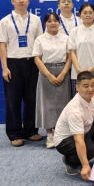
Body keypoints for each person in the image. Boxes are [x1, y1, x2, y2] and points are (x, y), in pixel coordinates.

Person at [0, 0, 44, 147]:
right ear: (12, 1)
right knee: (13, 100)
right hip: (13, 64)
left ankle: (31, 131)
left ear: (28, 1)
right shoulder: (5, 21)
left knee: (32, 99)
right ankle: (15, 134)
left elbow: (40, 43)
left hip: (32, 63)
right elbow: (2, 46)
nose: (21, 0)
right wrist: (5, 67)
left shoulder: (36, 20)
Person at [54, 71, 94, 179]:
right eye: (86, 86)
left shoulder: (92, 97)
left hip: (83, 129)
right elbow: (78, 140)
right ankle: (69, 161)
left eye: (93, 85)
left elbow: (92, 109)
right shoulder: (74, 110)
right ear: (77, 87)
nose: (90, 89)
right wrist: (85, 165)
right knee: (90, 150)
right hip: (65, 140)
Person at [33, 13, 72, 149]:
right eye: (49, 21)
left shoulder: (66, 38)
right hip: (46, 72)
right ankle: (49, 135)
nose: (53, 23)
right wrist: (49, 75)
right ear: (45, 23)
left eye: (55, 21)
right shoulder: (40, 39)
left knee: (63, 103)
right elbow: (37, 59)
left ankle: (61, 133)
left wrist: (63, 73)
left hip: (63, 71)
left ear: (59, 23)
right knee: (47, 104)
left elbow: (70, 57)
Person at [67, 3, 94, 109]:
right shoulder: (74, 31)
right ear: (80, 14)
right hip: (78, 74)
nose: (88, 15)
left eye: (90, 12)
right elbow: (72, 52)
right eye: (85, 13)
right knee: (78, 105)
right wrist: (78, 69)